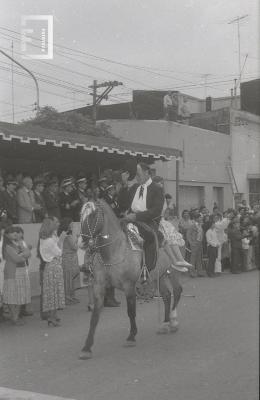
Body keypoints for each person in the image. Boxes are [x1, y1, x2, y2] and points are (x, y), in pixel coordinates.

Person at [118, 162, 165, 271]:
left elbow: (156, 211)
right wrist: (124, 185)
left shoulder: (156, 188)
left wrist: (137, 216)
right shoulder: (135, 187)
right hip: (130, 221)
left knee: (147, 238)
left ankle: (146, 269)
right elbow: (122, 203)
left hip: (148, 223)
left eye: (138, 174)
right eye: (135, 175)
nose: (136, 177)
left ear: (147, 173)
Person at [39, 217, 66, 326]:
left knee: (54, 292)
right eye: (54, 223)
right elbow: (59, 252)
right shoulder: (49, 240)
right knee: (54, 292)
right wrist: (62, 240)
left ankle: (53, 315)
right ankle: (51, 317)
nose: (57, 225)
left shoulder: (46, 238)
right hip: (53, 267)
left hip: (51, 266)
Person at [2, 226, 31, 325]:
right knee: (12, 295)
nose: (15, 234)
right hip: (12, 273)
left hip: (22, 271)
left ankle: (15, 317)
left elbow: (28, 254)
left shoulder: (19, 243)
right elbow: (17, 259)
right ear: (6, 235)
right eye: (11, 232)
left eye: (15, 232)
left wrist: (21, 254)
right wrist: (23, 255)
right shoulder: (7, 246)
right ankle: (14, 317)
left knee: (21, 295)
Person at [58, 217, 80, 305]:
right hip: (68, 260)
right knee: (68, 279)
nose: (72, 226)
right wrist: (77, 238)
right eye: (71, 224)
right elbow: (75, 247)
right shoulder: (67, 236)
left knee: (71, 279)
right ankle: (68, 298)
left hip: (71, 259)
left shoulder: (69, 235)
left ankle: (71, 296)